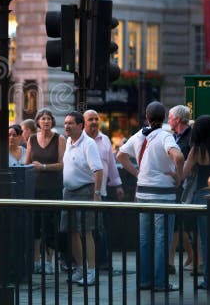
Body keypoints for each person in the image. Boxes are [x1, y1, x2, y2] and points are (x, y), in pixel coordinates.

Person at [116, 101, 183, 292]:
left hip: (143, 192)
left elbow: (120, 156)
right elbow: (178, 157)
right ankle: (160, 282)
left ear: (147, 116)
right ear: (163, 119)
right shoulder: (165, 136)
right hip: (163, 194)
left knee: (145, 238)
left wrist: (137, 173)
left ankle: (144, 280)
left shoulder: (139, 134)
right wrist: (178, 177)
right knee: (162, 238)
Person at [181, 114, 210, 289]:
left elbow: (184, 172)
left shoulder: (196, 150)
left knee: (205, 241)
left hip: (202, 196)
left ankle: (209, 279)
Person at [62, 111, 104, 286]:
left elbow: (98, 170)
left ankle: (92, 271)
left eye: (70, 123)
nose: (66, 126)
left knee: (86, 231)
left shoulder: (89, 144)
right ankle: (80, 268)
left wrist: (96, 194)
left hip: (85, 191)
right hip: (68, 192)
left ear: (80, 125)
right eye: (65, 123)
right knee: (71, 231)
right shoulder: (68, 142)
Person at [25, 108, 66, 273]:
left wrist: (43, 166)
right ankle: (36, 260)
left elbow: (62, 164)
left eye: (49, 119)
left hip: (53, 187)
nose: (46, 121)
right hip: (35, 187)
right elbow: (27, 163)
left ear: (52, 122)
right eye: (43, 119)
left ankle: (49, 260)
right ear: (38, 122)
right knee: (35, 225)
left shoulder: (59, 138)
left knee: (51, 224)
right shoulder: (32, 139)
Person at [83, 109, 124, 270]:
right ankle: (83, 262)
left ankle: (103, 262)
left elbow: (111, 165)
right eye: (90, 119)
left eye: (96, 119)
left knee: (100, 228)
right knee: (83, 229)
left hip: (101, 192)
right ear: (84, 123)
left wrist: (118, 185)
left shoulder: (105, 139)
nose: (94, 122)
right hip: (83, 191)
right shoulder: (80, 140)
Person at [167, 105, 196, 276]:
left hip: (186, 185)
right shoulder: (174, 136)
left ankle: (172, 261)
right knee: (178, 223)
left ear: (177, 119)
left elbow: (190, 165)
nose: (168, 120)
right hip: (176, 184)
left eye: (170, 117)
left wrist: (178, 174)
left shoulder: (190, 138)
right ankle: (187, 256)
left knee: (180, 224)